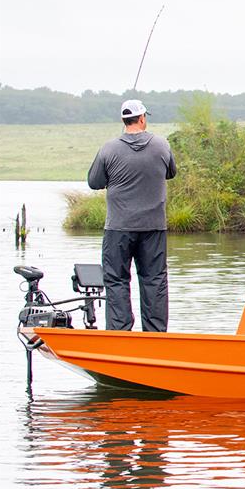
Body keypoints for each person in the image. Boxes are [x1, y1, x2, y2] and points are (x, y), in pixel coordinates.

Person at [88, 99, 177, 331]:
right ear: (142, 118)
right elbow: (171, 172)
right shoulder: (162, 145)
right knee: (154, 280)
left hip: (118, 228)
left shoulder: (108, 148)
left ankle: (120, 334)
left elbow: (94, 182)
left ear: (123, 120)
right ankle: (155, 335)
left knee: (116, 280)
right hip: (154, 228)